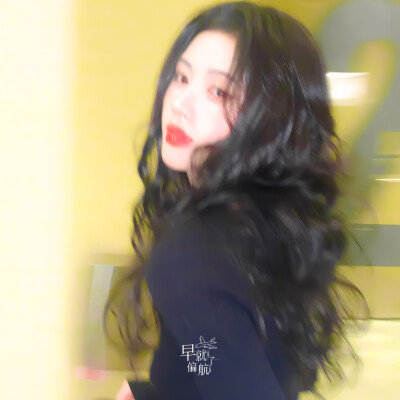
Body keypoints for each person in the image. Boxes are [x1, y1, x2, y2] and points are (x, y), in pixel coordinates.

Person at [107, 2, 368, 399]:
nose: (179, 104)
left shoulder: (188, 252)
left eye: (218, 91)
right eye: (181, 77)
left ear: (270, 119)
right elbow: (214, 359)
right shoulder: (265, 226)